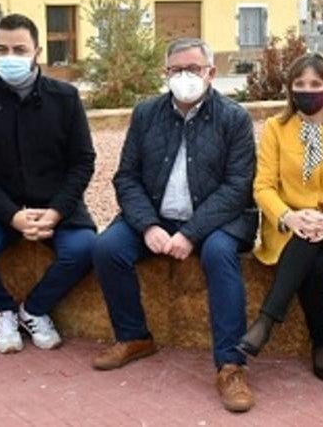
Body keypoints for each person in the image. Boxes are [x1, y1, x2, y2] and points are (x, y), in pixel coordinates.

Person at [91, 38, 258, 413]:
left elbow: (237, 188)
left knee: (218, 254)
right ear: (165, 73)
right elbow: (126, 178)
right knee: (106, 248)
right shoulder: (146, 113)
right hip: (156, 216)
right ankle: (134, 337)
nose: (185, 76)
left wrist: (190, 233)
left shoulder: (234, 119)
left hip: (218, 221)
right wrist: (148, 225)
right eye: (176, 69)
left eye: (194, 69)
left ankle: (230, 365)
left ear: (211, 73)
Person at [0, 14, 97, 355]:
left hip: (55, 206)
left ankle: (33, 310)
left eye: (20, 49)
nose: (10, 56)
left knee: (86, 249)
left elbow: (82, 161)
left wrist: (58, 210)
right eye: (2, 49)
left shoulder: (65, 98)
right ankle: (2, 310)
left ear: (37, 52)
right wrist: (11, 215)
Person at [237, 53, 323, 382]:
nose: (307, 90)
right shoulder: (275, 129)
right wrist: (289, 217)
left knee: (314, 244)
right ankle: (321, 343)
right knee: (311, 257)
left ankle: (266, 322)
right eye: (299, 84)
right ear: (290, 90)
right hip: (288, 227)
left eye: (315, 84)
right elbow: (263, 186)